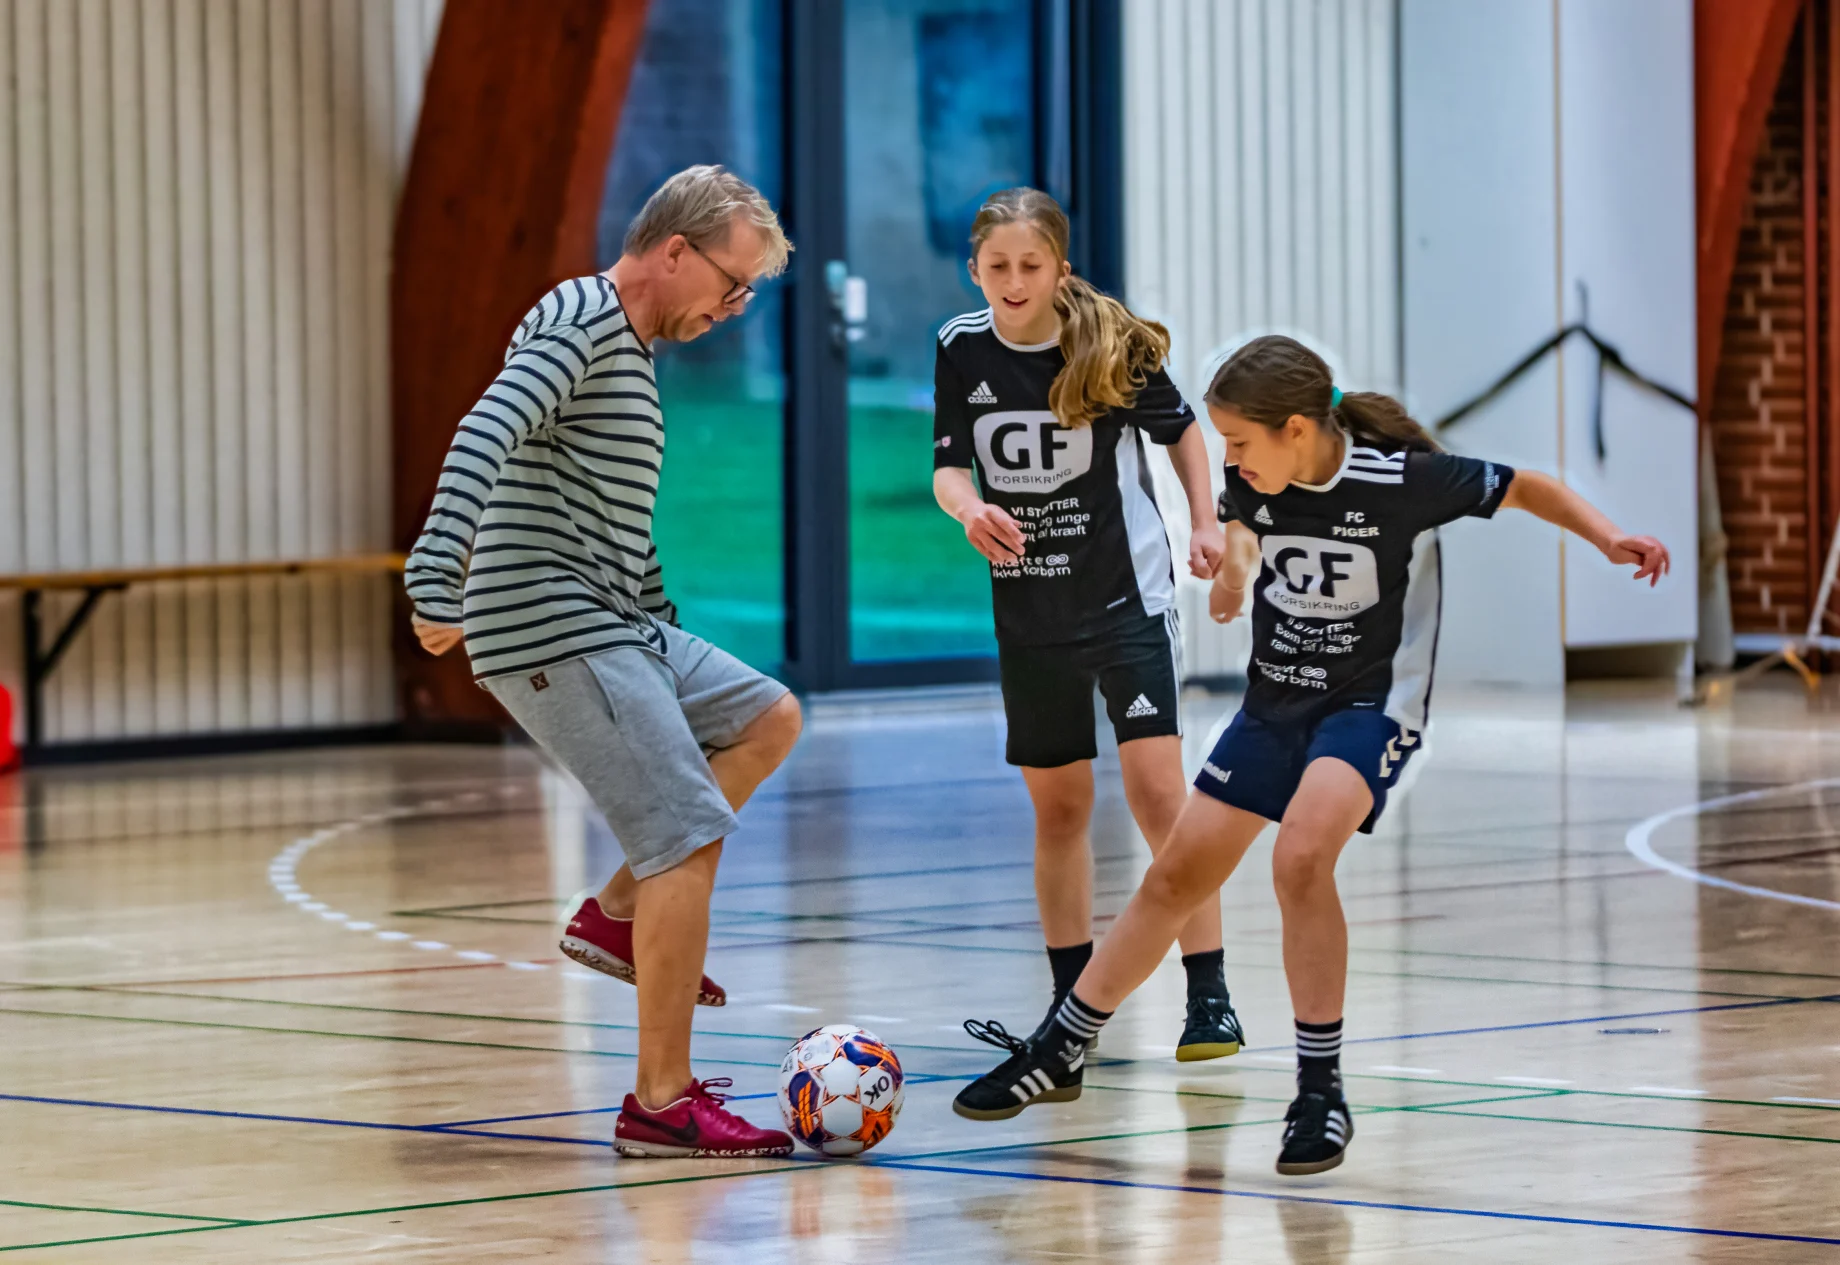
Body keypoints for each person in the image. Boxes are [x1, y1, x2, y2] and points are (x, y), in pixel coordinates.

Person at [951, 334, 1671, 1175]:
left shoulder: (1403, 483)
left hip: (1367, 709)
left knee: (1300, 857)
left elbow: (1526, 487)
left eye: (1241, 443)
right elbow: (1244, 551)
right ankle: (1061, 1047)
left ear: (1297, 429)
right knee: (1175, 877)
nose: (1230, 459)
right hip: (1272, 706)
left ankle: (1319, 1091)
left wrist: (1608, 536)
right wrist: (1225, 578)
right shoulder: (1254, 484)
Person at [405, 165, 802, 1159]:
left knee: (768, 716)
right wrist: (434, 573)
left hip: (614, 616)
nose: (735, 305)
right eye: (732, 281)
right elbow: (484, 426)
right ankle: (661, 1102)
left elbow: (610, 519)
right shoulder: (583, 319)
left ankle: (618, 912)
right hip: (553, 624)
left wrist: (662, 627)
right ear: (676, 251)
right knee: (686, 831)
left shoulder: (627, 348)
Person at [933, 187, 1244, 1088]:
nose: (1015, 281)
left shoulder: (1100, 344)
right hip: (1029, 610)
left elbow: (1186, 437)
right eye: (999, 267)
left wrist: (1205, 522)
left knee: (1158, 795)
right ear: (975, 269)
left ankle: (1209, 991)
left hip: (1125, 598)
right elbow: (951, 466)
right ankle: (1068, 1017)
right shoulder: (961, 347)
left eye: (1032, 265)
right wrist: (970, 510)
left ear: (1060, 270)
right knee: (1060, 810)